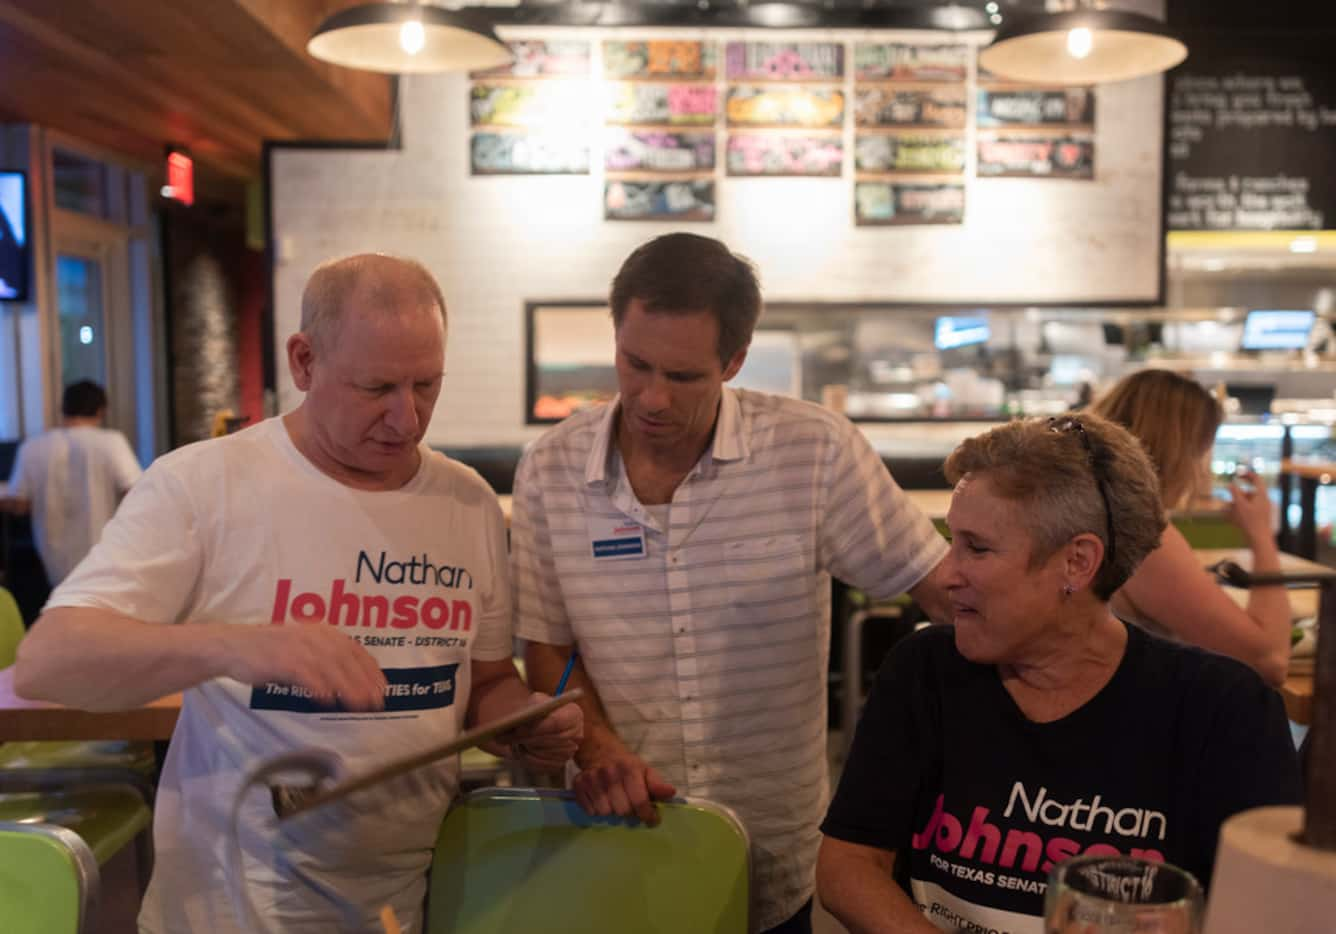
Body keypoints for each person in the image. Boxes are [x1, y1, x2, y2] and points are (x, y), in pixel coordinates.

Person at [14, 254, 582, 933]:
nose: (406, 419)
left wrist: (524, 723)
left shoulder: (467, 502)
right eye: (377, 389)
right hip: (230, 907)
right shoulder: (205, 484)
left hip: (404, 901)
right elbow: (49, 663)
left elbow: (485, 681)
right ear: (304, 362)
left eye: (426, 386)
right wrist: (236, 645)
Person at [511, 232, 950, 934]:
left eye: (683, 377)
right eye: (634, 363)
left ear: (735, 360)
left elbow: (938, 588)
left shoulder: (813, 452)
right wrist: (598, 749)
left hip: (774, 850)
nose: (651, 398)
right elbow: (550, 651)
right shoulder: (550, 470)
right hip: (616, 837)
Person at [818, 413, 1301, 934]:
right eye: (951, 540)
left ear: (1077, 563)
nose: (948, 572)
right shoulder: (924, 670)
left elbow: (1269, 912)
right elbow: (849, 864)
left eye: (976, 547)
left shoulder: (1224, 708)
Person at [1092, 368, 1291, 685]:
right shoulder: (1138, 529)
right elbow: (1270, 661)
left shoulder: (1092, 509)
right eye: (1203, 449)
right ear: (1180, 450)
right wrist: (1261, 535)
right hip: (1132, 724)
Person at [1, 380, 142, 586]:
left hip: (52, 557)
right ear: (101, 410)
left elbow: (20, 505)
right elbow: (136, 491)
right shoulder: (111, 442)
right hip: (102, 550)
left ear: (63, 409)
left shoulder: (33, 447)